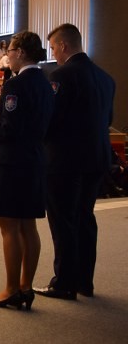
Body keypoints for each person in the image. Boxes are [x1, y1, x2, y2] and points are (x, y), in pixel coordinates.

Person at [0, 31, 54, 309]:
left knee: (9, 228)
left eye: (11, 50)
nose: (8, 55)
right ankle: (26, 287)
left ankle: (11, 289)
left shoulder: (15, 85)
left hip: (13, 161)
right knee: (29, 225)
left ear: (22, 53)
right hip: (36, 159)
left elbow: (9, 129)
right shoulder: (46, 83)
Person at [36, 24, 115, 300]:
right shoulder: (106, 78)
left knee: (63, 220)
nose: (53, 53)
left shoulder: (61, 75)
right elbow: (108, 120)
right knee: (85, 217)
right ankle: (84, 281)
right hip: (96, 158)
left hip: (65, 159)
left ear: (64, 46)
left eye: (54, 48)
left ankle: (64, 283)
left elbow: (52, 117)